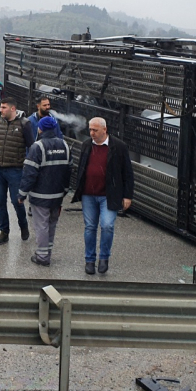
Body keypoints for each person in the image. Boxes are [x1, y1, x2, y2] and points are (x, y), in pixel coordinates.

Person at [71, 117, 134, 275]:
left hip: (108, 195)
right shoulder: (86, 145)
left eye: (95, 130)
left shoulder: (118, 147)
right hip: (88, 194)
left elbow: (127, 173)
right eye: (90, 130)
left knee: (107, 225)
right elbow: (81, 169)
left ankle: (104, 257)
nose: (92, 133)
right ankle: (90, 260)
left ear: (104, 130)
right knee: (90, 227)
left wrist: (127, 196)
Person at [18, 116, 71, 266]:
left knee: (41, 225)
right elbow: (69, 171)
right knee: (51, 225)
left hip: (40, 195)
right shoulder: (65, 146)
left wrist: (22, 193)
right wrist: (65, 190)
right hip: (57, 195)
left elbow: (30, 173)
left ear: (40, 129)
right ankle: (48, 252)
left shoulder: (37, 147)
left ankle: (42, 256)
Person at [0, 97, 34, 245]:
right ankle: (4, 231)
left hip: (15, 170)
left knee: (16, 201)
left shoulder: (24, 124)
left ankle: (23, 225)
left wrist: (29, 168)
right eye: (1, 107)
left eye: (4, 107)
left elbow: (32, 147)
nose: (1, 110)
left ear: (12, 108)